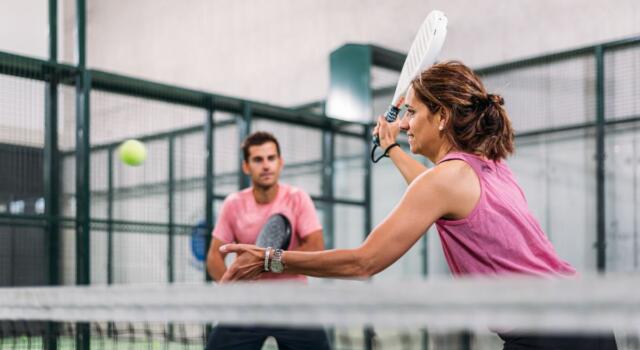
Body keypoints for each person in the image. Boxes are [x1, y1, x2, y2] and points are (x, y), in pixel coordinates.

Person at [219, 61, 618, 350]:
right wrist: (391, 147)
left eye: (412, 112)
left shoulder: (445, 181)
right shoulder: (488, 167)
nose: (406, 122)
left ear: (442, 116)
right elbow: (430, 189)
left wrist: (270, 259)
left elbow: (364, 263)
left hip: (548, 338)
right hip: (586, 323)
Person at [205, 131, 331, 350]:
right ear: (246, 166)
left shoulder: (297, 198)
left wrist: (267, 261)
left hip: (294, 303)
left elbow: (315, 247)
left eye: (271, 158)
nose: (266, 166)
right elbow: (215, 256)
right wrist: (232, 288)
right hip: (248, 305)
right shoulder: (233, 204)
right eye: (258, 159)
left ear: (280, 163)